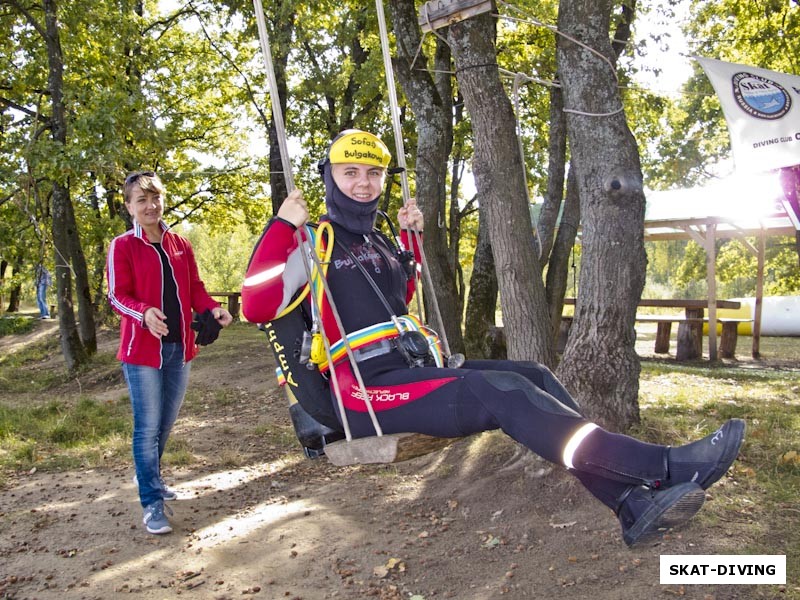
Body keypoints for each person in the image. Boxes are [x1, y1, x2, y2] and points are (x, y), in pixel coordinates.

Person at [241, 130, 745, 547]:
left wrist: (411, 244)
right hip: (364, 392)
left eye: (373, 173)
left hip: (410, 368)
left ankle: (629, 501)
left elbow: (400, 298)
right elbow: (255, 305)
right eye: (350, 172)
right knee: (498, 390)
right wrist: (281, 227)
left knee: (533, 375)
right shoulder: (310, 243)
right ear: (329, 177)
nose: (363, 183)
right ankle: (660, 466)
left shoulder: (378, 238)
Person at [106, 171, 233, 535]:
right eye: (141, 200)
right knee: (147, 428)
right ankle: (151, 503)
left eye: (155, 198)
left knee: (164, 424)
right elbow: (117, 296)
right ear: (129, 207)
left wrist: (212, 308)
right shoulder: (122, 246)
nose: (150, 206)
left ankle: (150, 477)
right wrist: (144, 313)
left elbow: (194, 288)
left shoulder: (179, 243)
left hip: (179, 348)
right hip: (141, 351)